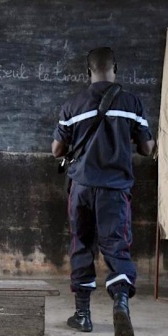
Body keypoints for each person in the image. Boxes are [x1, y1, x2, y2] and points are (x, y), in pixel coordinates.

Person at [51, 47, 155, 335]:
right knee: (116, 246)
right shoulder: (132, 103)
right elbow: (147, 149)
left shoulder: (73, 105)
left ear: (88, 72)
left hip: (81, 188)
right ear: (115, 68)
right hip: (115, 189)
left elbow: (56, 150)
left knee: (81, 245)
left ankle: (83, 316)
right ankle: (120, 304)